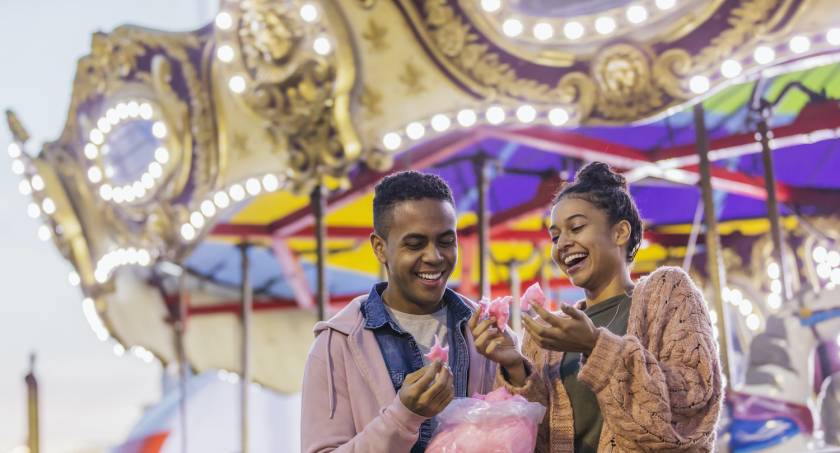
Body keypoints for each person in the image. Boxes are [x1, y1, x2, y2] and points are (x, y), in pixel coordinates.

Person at [470, 162, 722, 452]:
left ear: (620, 232)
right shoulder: (549, 337)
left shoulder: (667, 292)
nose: (562, 244)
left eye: (576, 227)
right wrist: (515, 366)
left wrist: (595, 346)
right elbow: (535, 441)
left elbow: (692, 400)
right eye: (555, 236)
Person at [301, 171, 497, 452]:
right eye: (415, 244)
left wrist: (515, 370)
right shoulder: (335, 347)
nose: (434, 257)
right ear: (380, 248)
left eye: (446, 241)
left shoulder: (487, 330)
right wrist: (404, 415)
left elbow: (526, 429)